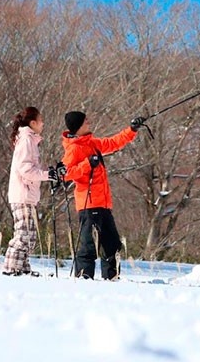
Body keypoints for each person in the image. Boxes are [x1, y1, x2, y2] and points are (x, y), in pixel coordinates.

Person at [61, 110, 146, 280]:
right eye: (86, 122)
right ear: (77, 127)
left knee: (113, 244)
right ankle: (84, 278)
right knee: (88, 246)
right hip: (88, 204)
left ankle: (112, 279)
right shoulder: (74, 149)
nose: (89, 122)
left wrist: (132, 129)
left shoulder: (91, 143)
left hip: (103, 204)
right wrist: (87, 164)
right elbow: (65, 173)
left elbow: (113, 142)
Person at [3, 107, 62, 276]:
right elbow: (25, 169)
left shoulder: (29, 139)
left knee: (29, 234)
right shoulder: (27, 140)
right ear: (33, 123)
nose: (43, 123)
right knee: (24, 234)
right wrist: (47, 175)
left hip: (26, 194)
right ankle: (11, 268)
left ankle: (22, 268)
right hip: (23, 193)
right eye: (41, 120)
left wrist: (46, 173)